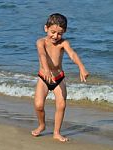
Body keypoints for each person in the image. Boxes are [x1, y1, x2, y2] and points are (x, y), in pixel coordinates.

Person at [32, 13, 89, 142]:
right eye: (52, 32)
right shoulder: (41, 42)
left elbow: (73, 54)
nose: (55, 36)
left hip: (58, 78)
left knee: (61, 105)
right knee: (39, 105)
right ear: (46, 28)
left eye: (60, 33)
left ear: (64, 32)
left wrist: (81, 67)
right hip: (43, 77)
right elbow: (42, 55)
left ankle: (56, 132)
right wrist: (46, 70)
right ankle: (42, 125)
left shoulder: (63, 43)